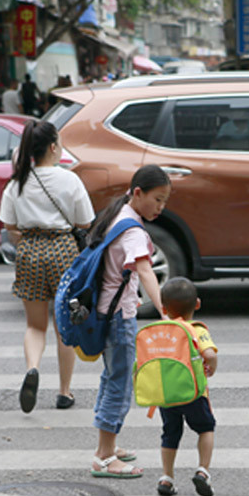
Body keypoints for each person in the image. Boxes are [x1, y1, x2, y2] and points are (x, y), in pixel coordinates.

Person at [0, 120, 94, 413]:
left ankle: (32, 368)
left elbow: (9, 226)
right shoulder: (69, 180)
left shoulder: (16, 183)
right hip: (64, 249)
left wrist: (29, 238)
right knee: (64, 325)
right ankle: (64, 392)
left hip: (29, 250)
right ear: (53, 147)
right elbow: (85, 223)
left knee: (34, 324)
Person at [88, 164, 171, 479]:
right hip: (118, 316)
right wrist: (165, 310)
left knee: (111, 377)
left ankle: (107, 444)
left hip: (105, 311)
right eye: (157, 199)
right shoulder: (133, 230)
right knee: (120, 384)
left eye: (164, 201)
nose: (161, 207)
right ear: (138, 193)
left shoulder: (119, 213)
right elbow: (146, 270)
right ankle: (105, 456)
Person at [154, 277, 218, 496]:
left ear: (163, 307)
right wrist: (212, 366)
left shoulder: (161, 331)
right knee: (206, 428)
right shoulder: (196, 329)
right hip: (193, 392)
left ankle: (167, 478)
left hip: (166, 393)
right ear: (197, 304)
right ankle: (203, 471)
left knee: (170, 434)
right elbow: (209, 353)